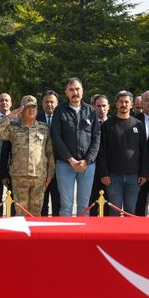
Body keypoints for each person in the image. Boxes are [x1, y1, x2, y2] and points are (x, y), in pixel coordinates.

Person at [0, 95, 55, 216]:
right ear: (21, 109)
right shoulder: (13, 128)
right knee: (21, 212)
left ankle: (35, 235)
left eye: (34, 107)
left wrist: (50, 174)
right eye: (27, 107)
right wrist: (11, 115)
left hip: (39, 176)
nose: (31, 110)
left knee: (36, 213)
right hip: (19, 176)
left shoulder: (44, 128)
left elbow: (50, 153)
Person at [50, 78, 100, 216]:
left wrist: (87, 160)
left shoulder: (91, 111)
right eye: (71, 90)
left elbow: (96, 138)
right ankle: (66, 237)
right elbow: (56, 138)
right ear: (66, 92)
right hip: (65, 164)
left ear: (82, 91)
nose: (75, 92)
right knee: (66, 205)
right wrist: (70, 159)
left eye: (77, 89)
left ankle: (83, 237)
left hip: (87, 166)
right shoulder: (59, 111)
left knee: (84, 205)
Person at [97, 91, 148, 216]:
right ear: (116, 104)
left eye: (126, 102)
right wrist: (104, 173)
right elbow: (101, 151)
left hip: (134, 177)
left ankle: (130, 236)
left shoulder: (138, 125)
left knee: (130, 212)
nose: (124, 104)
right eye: (121, 102)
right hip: (113, 177)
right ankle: (112, 236)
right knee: (114, 212)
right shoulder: (107, 125)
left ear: (131, 105)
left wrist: (143, 173)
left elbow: (144, 151)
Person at [38, 90, 60, 216]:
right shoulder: (35, 119)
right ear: (42, 103)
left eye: (52, 102)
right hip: (40, 168)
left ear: (57, 103)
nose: (49, 104)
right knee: (42, 203)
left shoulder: (63, 118)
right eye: (46, 102)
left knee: (58, 202)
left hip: (59, 167)